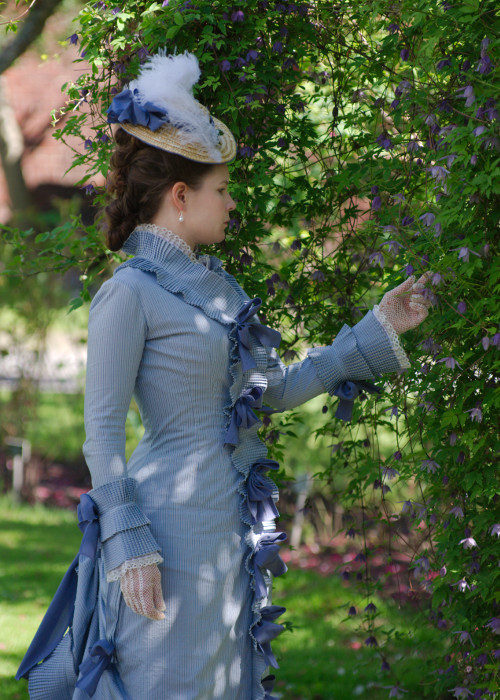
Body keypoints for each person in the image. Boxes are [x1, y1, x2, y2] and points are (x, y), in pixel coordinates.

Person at [17, 51, 432, 700]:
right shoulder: (128, 293)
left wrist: (374, 330)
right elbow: (100, 436)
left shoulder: (224, 293)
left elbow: (275, 391)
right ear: (181, 197)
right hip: (163, 541)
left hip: (227, 532)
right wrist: (130, 543)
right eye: (222, 189)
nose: (232, 203)